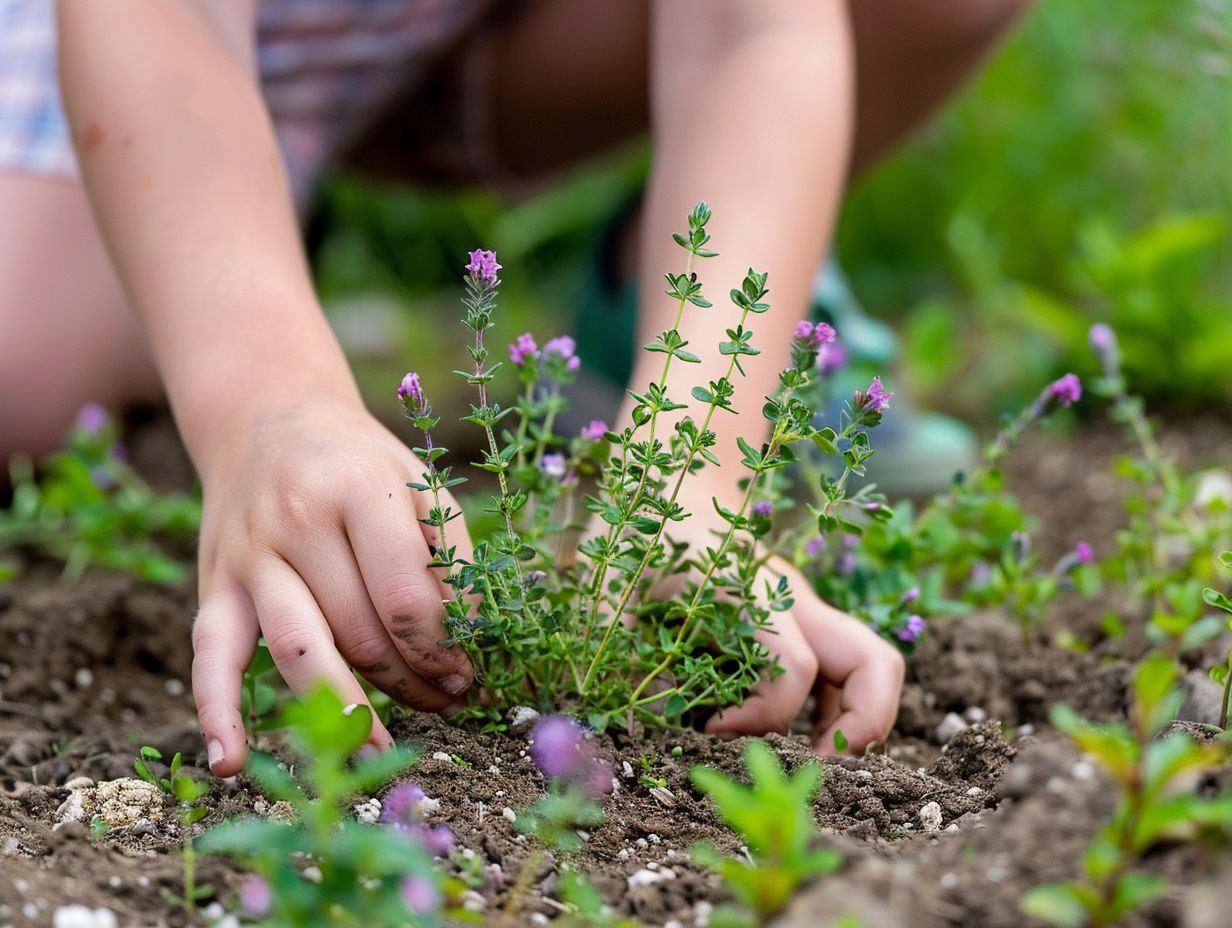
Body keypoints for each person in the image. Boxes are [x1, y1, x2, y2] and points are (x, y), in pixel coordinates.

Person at [0, 0, 1030, 775]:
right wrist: (265, 403)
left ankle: (670, 294)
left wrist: (691, 468)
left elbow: (748, 35)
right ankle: (239, 248)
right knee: (23, 387)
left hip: (515, 33)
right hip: (180, 39)